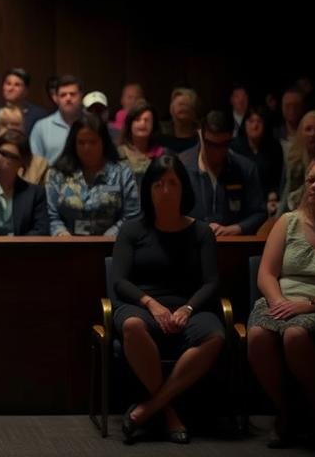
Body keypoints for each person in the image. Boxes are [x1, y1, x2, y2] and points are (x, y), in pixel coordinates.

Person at [246, 154, 315, 448]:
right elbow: (266, 275)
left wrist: (309, 305)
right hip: (281, 300)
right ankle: (286, 412)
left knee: (296, 335)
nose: (314, 186)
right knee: (258, 334)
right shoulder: (288, 222)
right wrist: (278, 301)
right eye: (310, 179)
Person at [113, 155, 226, 445]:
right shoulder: (131, 230)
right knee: (132, 327)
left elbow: (212, 282)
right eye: (158, 184)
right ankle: (168, 414)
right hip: (142, 304)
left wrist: (188, 308)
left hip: (190, 306)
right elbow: (120, 282)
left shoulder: (201, 231)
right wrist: (152, 304)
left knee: (215, 336)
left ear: (183, 188)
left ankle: (149, 407)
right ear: (148, 189)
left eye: (172, 183)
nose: (164, 190)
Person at [45, 112, 139, 237]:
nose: (87, 148)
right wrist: (62, 234)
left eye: (93, 142)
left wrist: (109, 237)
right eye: (81, 142)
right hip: (67, 245)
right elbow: (52, 215)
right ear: (74, 143)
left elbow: (131, 214)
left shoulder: (122, 173)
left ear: (103, 143)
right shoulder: (58, 173)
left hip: (112, 246)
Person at [0, 129, 48, 235]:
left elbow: (41, 231)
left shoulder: (35, 194)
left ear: (22, 162)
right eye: (3, 153)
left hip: (22, 250)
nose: (5, 160)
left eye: (12, 157)